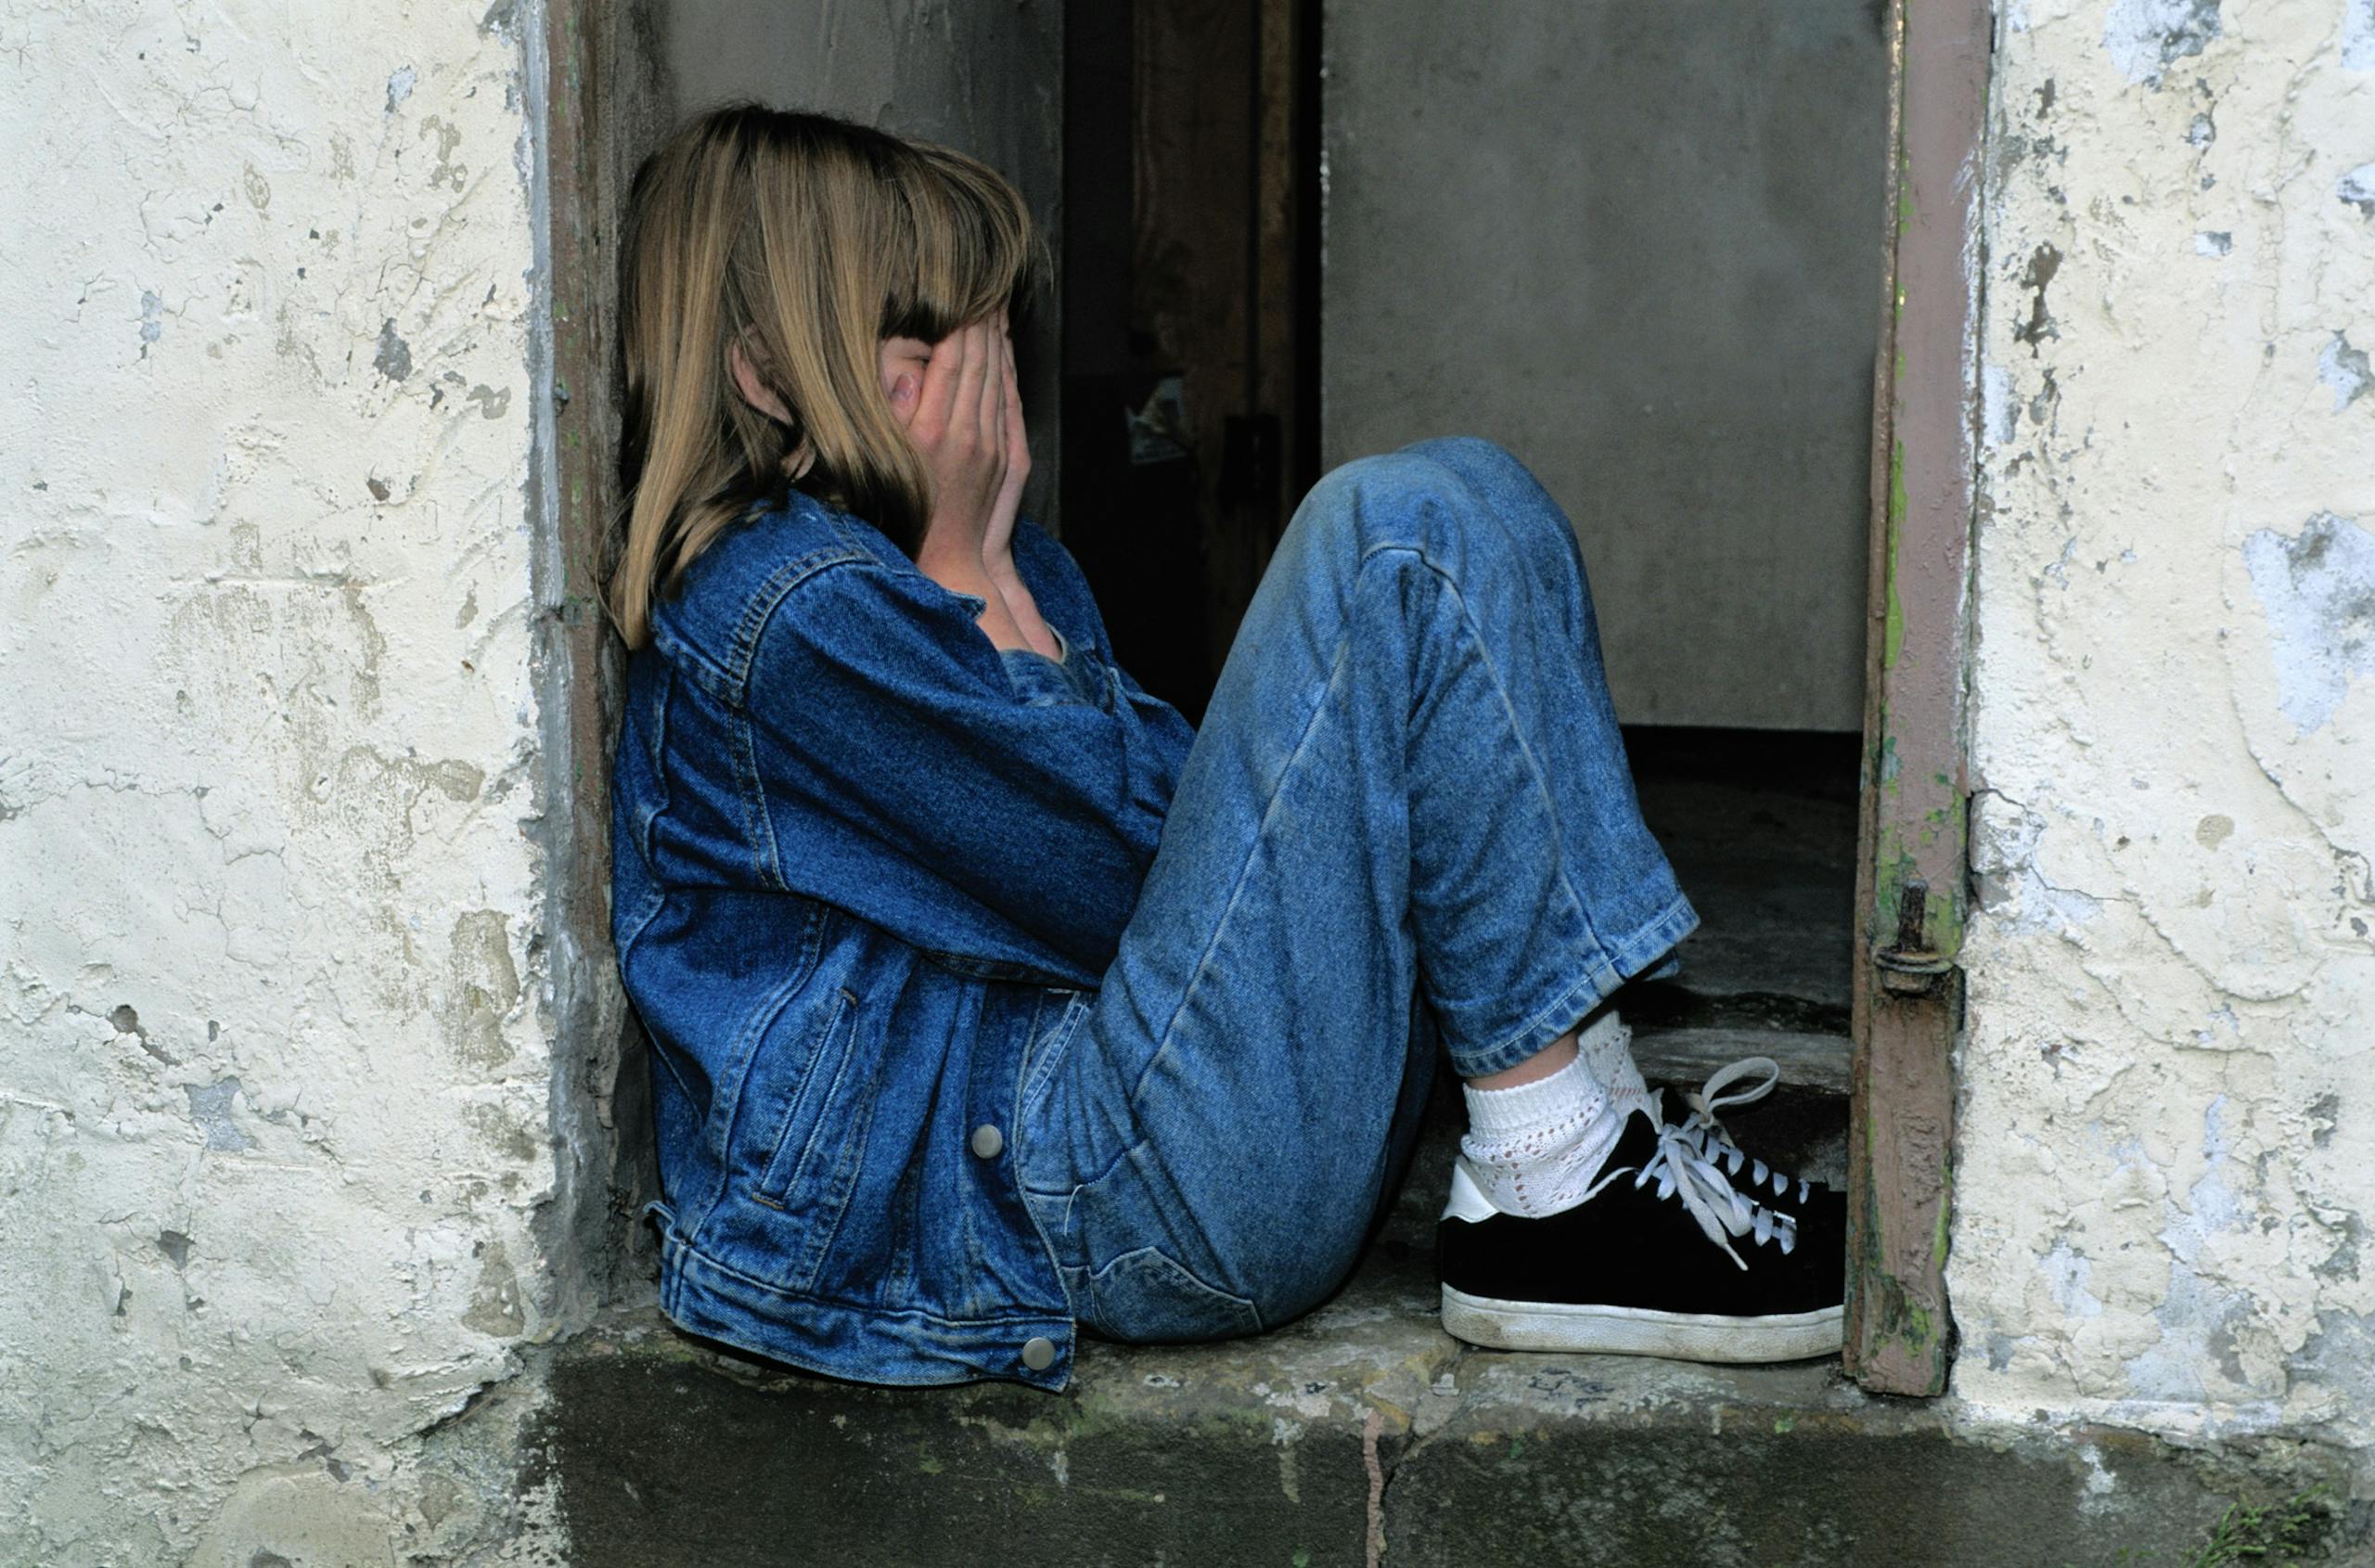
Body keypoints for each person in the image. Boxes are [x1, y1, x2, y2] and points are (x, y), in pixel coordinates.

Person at [605, 104, 1845, 1392]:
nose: (985, 399)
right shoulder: (786, 612)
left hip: (1135, 1128)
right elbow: (1130, 878)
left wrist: (1003, 585)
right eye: (926, 349)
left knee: (1474, 492)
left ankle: (1582, 1132)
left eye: (988, 344)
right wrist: (980, 581)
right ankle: (1557, 1189)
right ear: (763, 372)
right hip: (1068, 1196)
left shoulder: (969, 568)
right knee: (1391, 536)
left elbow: (1192, 857)